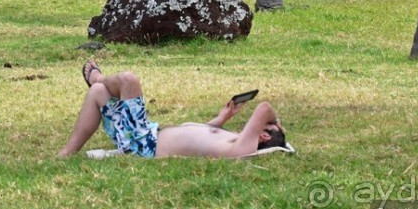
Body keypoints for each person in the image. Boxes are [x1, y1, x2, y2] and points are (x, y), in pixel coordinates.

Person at [58, 60, 287, 159]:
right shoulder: (236, 142)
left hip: (146, 145)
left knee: (129, 80)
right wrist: (221, 118)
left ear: (264, 134)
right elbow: (198, 137)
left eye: (266, 126)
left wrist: (276, 120)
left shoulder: (244, 148)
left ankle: (98, 76)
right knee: (98, 93)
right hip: (147, 135)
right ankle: (67, 152)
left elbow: (264, 108)